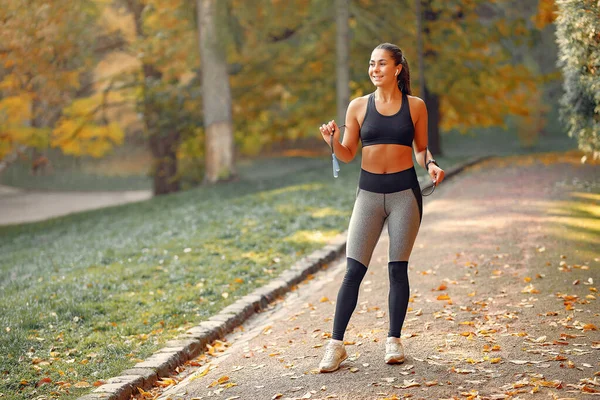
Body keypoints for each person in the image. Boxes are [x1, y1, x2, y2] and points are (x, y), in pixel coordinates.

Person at [317, 43, 445, 372]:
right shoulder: (358, 106)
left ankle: (394, 340)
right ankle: (335, 345)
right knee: (353, 271)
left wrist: (429, 164)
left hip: (405, 194)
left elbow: (420, 148)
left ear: (398, 68)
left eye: (382, 64)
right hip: (368, 196)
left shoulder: (415, 106)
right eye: (372, 64)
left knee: (396, 270)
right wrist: (331, 141)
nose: (375, 70)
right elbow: (347, 155)